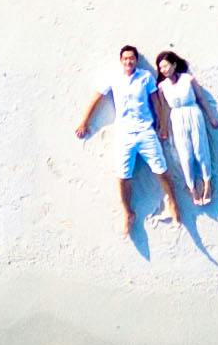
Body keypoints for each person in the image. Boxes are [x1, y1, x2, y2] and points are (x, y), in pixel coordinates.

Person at [74, 45, 179, 237]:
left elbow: (157, 102)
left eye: (132, 58)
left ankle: (172, 203)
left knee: (161, 170)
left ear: (136, 60)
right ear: (121, 60)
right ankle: (128, 213)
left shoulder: (145, 77)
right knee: (123, 177)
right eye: (125, 59)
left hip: (146, 131)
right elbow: (97, 98)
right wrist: (84, 122)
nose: (129, 61)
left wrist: (162, 124)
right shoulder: (113, 78)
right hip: (124, 134)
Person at [151, 49, 218, 210]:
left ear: (174, 65)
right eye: (161, 68)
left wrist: (211, 117)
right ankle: (192, 188)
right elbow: (164, 109)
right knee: (185, 154)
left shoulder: (188, 79)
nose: (164, 70)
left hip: (193, 114)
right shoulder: (162, 87)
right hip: (176, 118)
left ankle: (207, 182)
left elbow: (201, 99)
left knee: (200, 150)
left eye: (166, 66)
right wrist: (163, 127)